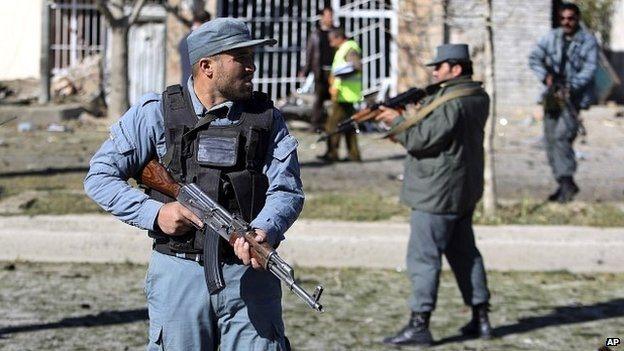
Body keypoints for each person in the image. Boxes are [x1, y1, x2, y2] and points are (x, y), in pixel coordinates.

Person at [84, 17, 304, 350]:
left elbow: (286, 189)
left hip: (249, 278)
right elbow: (100, 176)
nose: (252, 68)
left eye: (251, 58)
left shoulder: (266, 120)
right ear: (207, 66)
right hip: (179, 275)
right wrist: (155, 214)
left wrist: (265, 230)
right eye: (241, 58)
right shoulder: (155, 113)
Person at [375, 44, 492, 346]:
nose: (435, 71)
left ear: (456, 69)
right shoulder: (476, 95)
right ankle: (481, 318)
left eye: (440, 66)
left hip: (437, 192)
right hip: (463, 189)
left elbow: (421, 139)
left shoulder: (451, 101)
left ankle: (419, 324)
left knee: (423, 260)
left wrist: (395, 122)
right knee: (466, 255)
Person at [528, 2, 598, 203]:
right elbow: (534, 58)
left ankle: (567, 180)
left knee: (562, 137)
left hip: (572, 98)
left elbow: (589, 69)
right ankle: (562, 182)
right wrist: (546, 77)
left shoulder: (587, 41)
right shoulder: (552, 37)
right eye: (563, 19)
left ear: (577, 19)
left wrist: (571, 86)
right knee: (550, 139)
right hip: (552, 95)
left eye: (571, 19)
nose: (567, 22)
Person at [318, 28, 362, 163]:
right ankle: (353, 155)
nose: (331, 44)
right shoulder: (345, 48)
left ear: (339, 37)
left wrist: (336, 76)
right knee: (349, 126)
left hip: (344, 95)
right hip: (347, 94)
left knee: (332, 126)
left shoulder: (349, 48)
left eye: (332, 40)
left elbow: (356, 66)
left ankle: (332, 153)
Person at [299, 6, 338, 133]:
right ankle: (315, 124)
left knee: (335, 99)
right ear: (322, 17)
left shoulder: (337, 32)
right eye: (327, 15)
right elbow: (310, 53)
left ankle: (333, 125)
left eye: (331, 15)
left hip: (335, 71)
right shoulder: (316, 33)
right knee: (319, 99)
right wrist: (306, 70)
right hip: (320, 70)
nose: (330, 18)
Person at [178, 10, 211, 85]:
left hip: (186, 83)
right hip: (197, 85)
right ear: (206, 22)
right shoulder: (201, 40)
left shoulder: (184, 39)